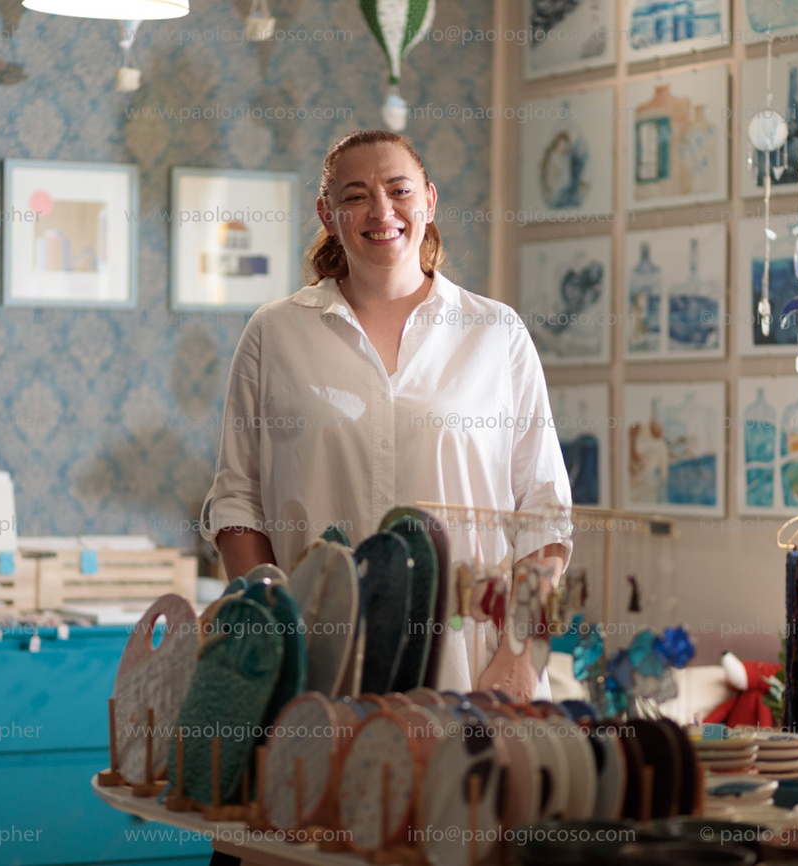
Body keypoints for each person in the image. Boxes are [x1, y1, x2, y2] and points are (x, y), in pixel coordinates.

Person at [200, 128, 572, 701]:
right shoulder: (274, 333)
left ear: (429, 200)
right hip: (320, 669)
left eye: (399, 191)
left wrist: (519, 660)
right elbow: (237, 505)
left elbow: (543, 513)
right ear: (327, 215)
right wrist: (274, 645)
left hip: (477, 666)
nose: (381, 211)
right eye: (355, 196)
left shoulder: (496, 332)